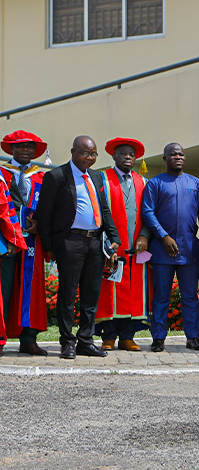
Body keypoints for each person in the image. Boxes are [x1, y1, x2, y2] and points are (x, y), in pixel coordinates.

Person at [35, 135, 121, 359]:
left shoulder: (96, 176)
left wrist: (114, 236)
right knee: (68, 294)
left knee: (91, 294)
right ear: (73, 152)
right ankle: (67, 342)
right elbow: (44, 215)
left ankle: (85, 340)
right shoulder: (56, 176)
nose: (89, 158)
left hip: (95, 242)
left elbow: (104, 210)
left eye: (93, 154)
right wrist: (49, 246)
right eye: (85, 153)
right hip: (69, 242)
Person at [141, 143, 199, 352]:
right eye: (173, 154)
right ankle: (158, 338)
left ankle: (193, 337)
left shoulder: (195, 183)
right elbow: (148, 212)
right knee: (161, 296)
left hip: (189, 249)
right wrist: (163, 236)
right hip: (162, 250)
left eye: (181, 154)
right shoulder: (155, 183)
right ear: (165, 158)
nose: (177, 157)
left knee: (190, 295)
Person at [94, 138, 151, 351]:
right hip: (110, 247)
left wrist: (144, 236)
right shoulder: (102, 179)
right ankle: (108, 337)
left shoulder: (144, 183)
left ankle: (127, 337)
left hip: (136, 248)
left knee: (134, 291)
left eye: (131, 154)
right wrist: (107, 244)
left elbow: (149, 216)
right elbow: (98, 213)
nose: (128, 157)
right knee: (109, 291)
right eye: (123, 153)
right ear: (114, 156)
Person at [0, 130, 48, 356]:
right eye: (20, 147)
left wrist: (41, 227)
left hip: (32, 243)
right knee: (5, 289)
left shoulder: (41, 177)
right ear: (11, 149)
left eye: (29, 147)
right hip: (5, 241)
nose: (25, 150)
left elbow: (50, 210)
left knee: (30, 290)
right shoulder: (1, 174)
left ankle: (28, 339)